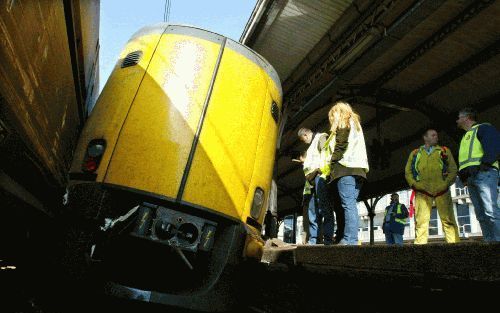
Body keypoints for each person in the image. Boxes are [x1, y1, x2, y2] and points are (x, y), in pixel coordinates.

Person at [405, 128, 460, 244]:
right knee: (421, 223)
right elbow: (408, 172)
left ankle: (455, 247)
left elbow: (453, 170)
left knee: (449, 221)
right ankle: (420, 251)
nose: (436, 137)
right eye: (433, 135)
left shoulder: (444, 151)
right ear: (425, 138)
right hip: (422, 192)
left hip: (442, 191)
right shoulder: (415, 153)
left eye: (436, 135)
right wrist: (415, 185)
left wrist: (445, 184)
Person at [325, 101, 369, 245]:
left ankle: (350, 239)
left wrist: (332, 165)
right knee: (350, 204)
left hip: (345, 169)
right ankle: (349, 238)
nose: (332, 119)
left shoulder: (344, 122)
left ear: (338, 113)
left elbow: (340, 145)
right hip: (359, 170)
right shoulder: (356, 125)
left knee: (347, 205)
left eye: (332, 116)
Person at [456, 107, 499, 241]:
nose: (457, 120)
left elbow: (494, 146)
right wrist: (463, 177)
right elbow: (464, 161)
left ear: (466, 118)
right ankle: (489, 243)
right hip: (471, 178)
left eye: (459, 117)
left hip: (484, 174)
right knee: (481, 214)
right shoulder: (465, 137)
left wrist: (484, 165)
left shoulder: (483, 128)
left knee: (490, 211)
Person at [298, 128, 334, 245]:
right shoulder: (311, 146)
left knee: (325, 209)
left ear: (305, 134)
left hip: (320, 177)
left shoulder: (321, 137)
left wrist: (319, 171)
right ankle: (313, 240)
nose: (304, 142)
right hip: (312, 183)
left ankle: (327, 239)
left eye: (303, 140)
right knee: (312, 213)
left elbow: (327, 155)